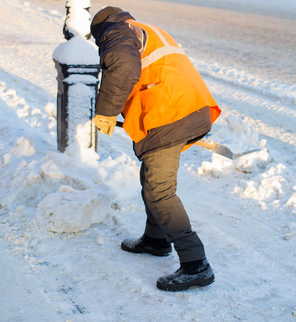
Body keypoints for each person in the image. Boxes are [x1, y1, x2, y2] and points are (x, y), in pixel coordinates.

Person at [90, 7, 221, 291]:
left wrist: (107, 111)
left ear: (101, 32)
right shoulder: (144, 29)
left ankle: (196, 264)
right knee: (150, 178)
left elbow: (122, 65)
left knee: (159, 190)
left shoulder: (117, 31)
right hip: (185, 108)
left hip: (170, 115)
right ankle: (155, 239)